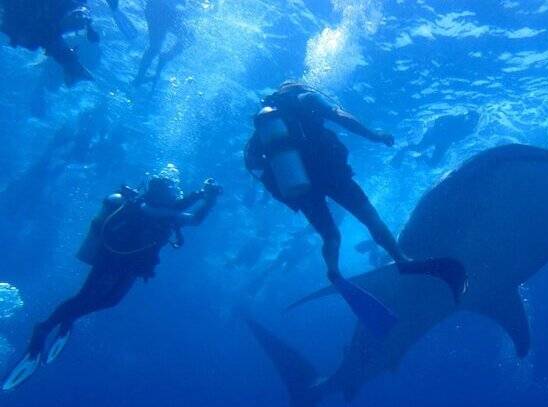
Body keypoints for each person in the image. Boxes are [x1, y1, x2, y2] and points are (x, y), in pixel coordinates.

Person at [244, 81, 466, 332]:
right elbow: (341, 116)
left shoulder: (266, 123)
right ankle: (402, 259)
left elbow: (252, 161)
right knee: (371, 218)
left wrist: (283, 193)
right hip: (331, 174)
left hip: (303, 186)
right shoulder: (306, 98)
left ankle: (334, 273)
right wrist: (376, 136)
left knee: (330, 234)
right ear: (297, 87)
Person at [3, 172, 221, 390]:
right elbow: (161, 212)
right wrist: (199, 194)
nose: (175, 194)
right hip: (111, 261)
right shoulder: (142, 206)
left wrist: (210, 201)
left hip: (133, 268)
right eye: (172, 191)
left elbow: (195, 219)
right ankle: (43, 328)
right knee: (84, 297)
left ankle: (68, 319)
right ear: (160, 192)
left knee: (110, 302)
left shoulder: (168, 213)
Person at [0, 0, 101, 85]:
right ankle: (71, 66)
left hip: (32, 25)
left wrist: (83, 15)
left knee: (43, 34)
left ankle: (71, 66)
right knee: (41, 34)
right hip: (27, 25)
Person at [390, 110, 479, 168]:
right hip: (434, 135)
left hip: (445, 143)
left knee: (433, 164)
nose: (471, 121)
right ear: (467, 116)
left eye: (474, 120)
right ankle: (401, 152)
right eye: (470, 118)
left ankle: (421, 157)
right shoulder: (455, 118)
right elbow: (438, 120)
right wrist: (439, 129)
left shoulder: (470, 130)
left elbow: (459, 140)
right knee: (419, 148)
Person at [134, 0, 192, 85]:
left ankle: (140, 77)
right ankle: (165, 58)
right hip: (161, 10)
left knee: (155, 47)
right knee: (155, 47)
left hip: (160, 10)